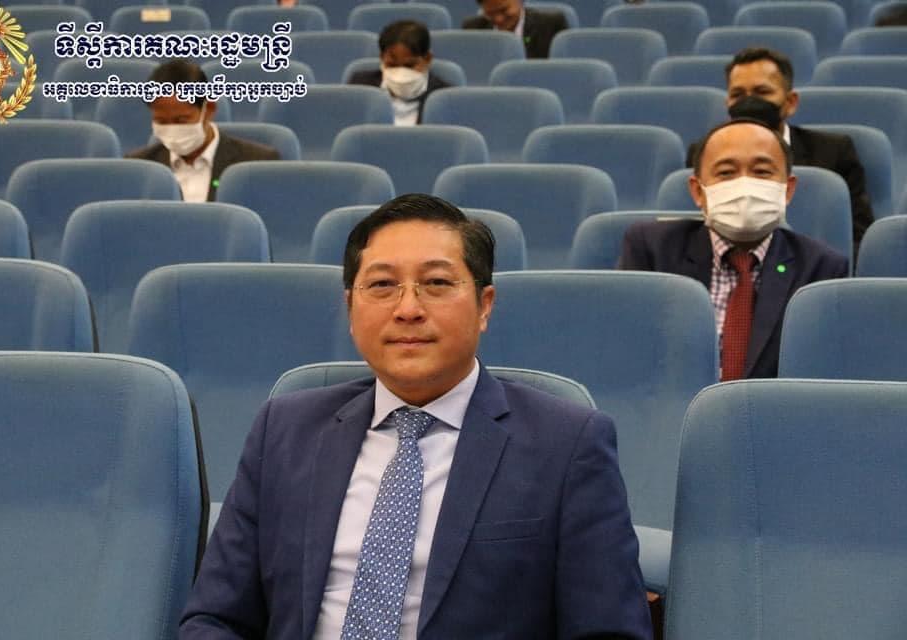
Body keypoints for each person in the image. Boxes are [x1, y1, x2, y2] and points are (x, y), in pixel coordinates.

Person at [181, 193, 652, 639]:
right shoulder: (285, 430)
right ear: (350, 308)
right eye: (382, 285)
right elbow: (215, 618)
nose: (408, 309)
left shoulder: (567, 445)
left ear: (484, 305)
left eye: (437, 284)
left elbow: (609, 631)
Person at [623, 119, 848, 380]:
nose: (745, 187)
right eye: (726, 173)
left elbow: (820, 373)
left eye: (761, 172)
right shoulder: (653, 249)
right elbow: (632, 354)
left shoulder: (822, 268)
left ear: (788, 189)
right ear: (698, 191)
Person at [686, 48, 874, 252]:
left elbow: (857, 237)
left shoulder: (833, 151)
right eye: (738, 94)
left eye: (762, 92)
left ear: (790, 102)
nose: (749, 102)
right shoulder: (704, 152)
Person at [126, 60, 279, 203]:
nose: (172, 129)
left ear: (209, 109)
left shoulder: (257, 163)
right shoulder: (138, 168)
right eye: (161, 121)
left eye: (181, 120)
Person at [347, 20, 450, 126]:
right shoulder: (360, 87)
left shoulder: (444, 97)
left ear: (427, 59)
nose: (401, 74)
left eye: (409, 66)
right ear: (382, 58)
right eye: (392, 65)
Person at [462, 0, 568, 58]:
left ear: (520, 1)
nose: (498, 19)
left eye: (504, 10)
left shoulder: (551, 25)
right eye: (490, 13)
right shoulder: (472, 29)